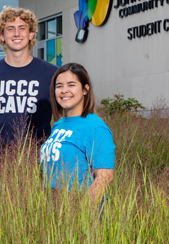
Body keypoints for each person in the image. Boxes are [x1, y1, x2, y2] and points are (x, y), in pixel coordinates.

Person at [0, 7, 57, 154]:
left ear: (31, 34)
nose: (17, 33)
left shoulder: (52, 73)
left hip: (38, 156)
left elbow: (64, 115)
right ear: (1, 35)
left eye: (22, 28)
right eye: (10, 29)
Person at [39, 63, 115, 204]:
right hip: (56, 208)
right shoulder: (58, 125)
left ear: (85, 90)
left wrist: (81, 213)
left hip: (82, 208)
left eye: (71, 85)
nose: (64, 90)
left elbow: (105, 177)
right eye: (59, 86)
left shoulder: (95, 126)